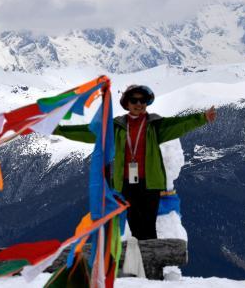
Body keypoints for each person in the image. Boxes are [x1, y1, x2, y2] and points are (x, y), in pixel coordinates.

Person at [54, 84, 216, 240]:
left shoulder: (155, 125)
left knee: (148, 226)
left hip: (150, 183)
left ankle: (150, 262)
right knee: (134, 224)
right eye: (134, 100)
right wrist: (60, 130)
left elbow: (179, 124)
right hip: (126, 184)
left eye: (142, 100)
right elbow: (88, 132)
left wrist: (202, 118)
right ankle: (142, 261)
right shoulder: (115, 127)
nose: (139, 104)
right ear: (127, 104)